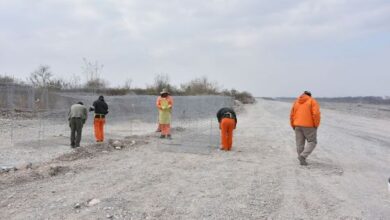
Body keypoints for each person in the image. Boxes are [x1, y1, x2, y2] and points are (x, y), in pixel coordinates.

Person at [290, 91, 321, 165]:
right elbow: (316, 114)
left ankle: (301, 159)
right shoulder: (312, 101)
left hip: (297, 125)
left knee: (299, 143)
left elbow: (291, 115)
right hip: (309, 126)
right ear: (310, 95)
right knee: (312, 142)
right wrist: (316, 125)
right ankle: (303, 156)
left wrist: (293, 125)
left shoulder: (296, 102)